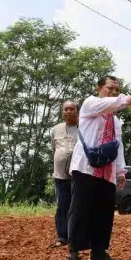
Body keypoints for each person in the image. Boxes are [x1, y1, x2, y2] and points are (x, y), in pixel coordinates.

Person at [66, 75, 131, 260]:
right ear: (99, 88)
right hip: (86, 168)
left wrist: (121, 171)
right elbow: (112, 103)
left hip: (107, 171)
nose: (113, 92)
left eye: (116, 90)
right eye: (109, 88)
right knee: (80, 210)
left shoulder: (116, 121)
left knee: (104, 212)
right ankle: (74, 253)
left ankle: (99, 251)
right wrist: (129, 99)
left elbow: (118, 147)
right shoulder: (90, 105)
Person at [50, 100, 79, 247]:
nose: (68, 112)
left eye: (71, 109)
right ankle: (62, 237)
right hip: (60, 176)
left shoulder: (83, 128)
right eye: (65, 109)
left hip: (78, 177)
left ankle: (76, 237)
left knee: (77, 207)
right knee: (62, 206)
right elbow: (54, 149)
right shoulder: (56, 129)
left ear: (77, 111)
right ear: (62, 112)